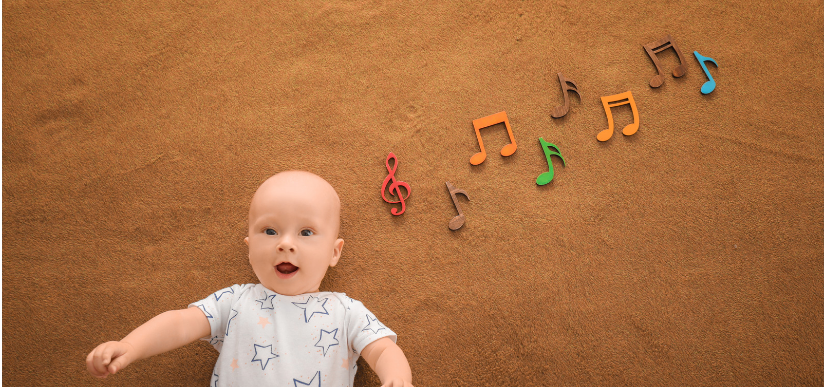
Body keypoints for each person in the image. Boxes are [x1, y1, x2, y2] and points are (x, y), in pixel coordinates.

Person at [86, 171, 413, 386]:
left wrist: (397, 378)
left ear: (334, 252)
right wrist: (131, 345)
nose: (285, 243)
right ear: (250, 248)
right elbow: (180, 323)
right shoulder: (235, 301)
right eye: (269, 231)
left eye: (306, 232)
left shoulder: (346, 311)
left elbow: (383, 351)